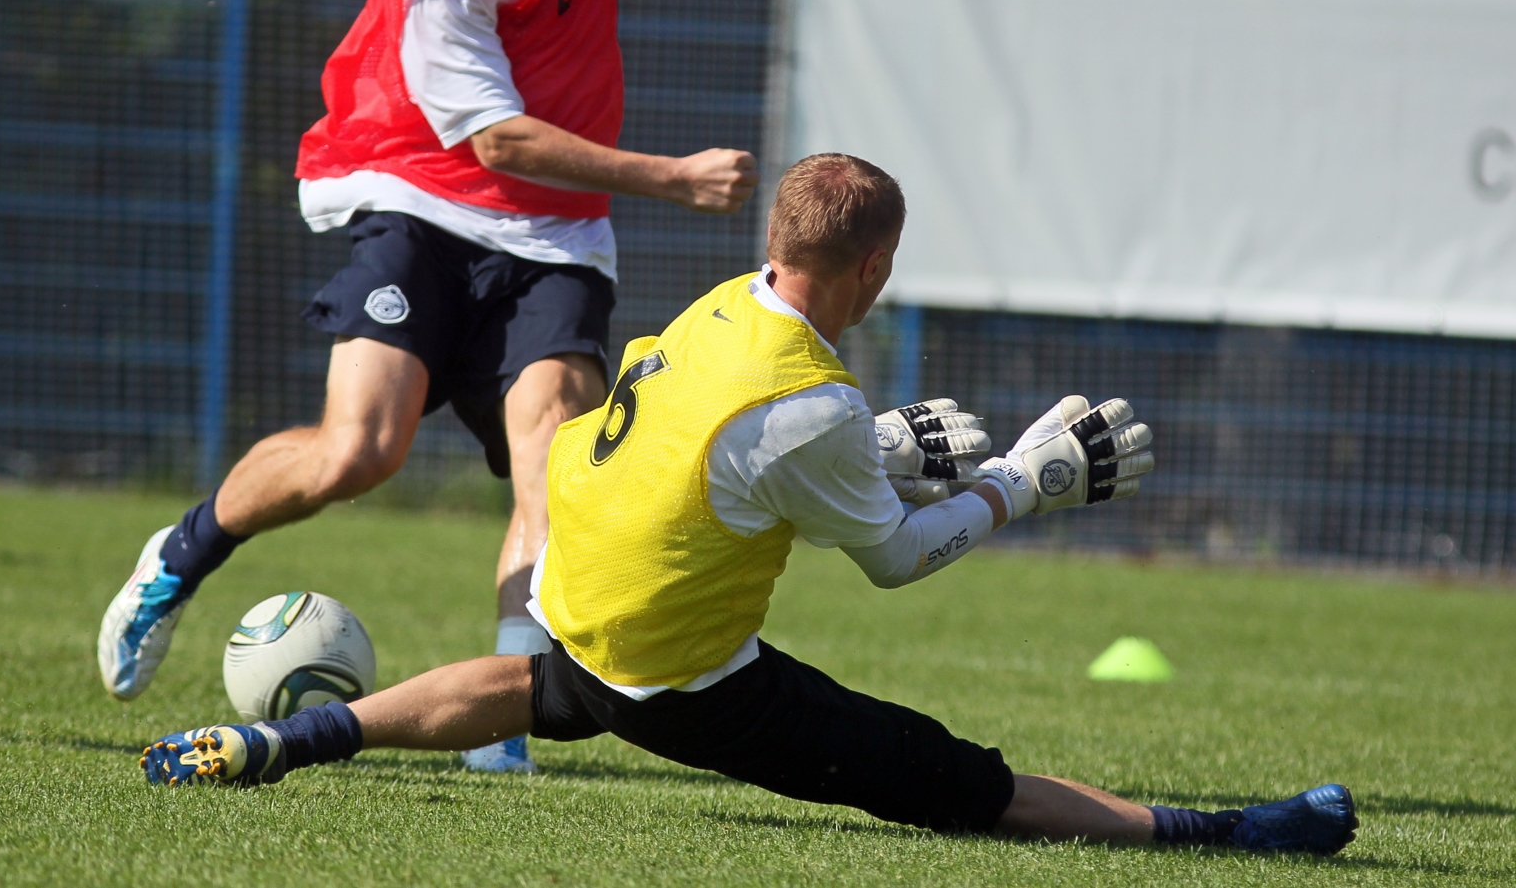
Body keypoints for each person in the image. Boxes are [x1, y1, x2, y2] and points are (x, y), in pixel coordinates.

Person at [136, 154, 1358, 856]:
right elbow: (890, 562)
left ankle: (279, 741)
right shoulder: (809, 403)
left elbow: (725, 462)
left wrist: (877, 449)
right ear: (872, 268)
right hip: (687, 679)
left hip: (576, 592)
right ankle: (1214, 835)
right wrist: (1012, 488)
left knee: (542, 691)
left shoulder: (726, 305)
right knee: (951, 780)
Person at [98, 0, 759, 774]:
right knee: (359, 451)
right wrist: (670, 177)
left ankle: (499, 725)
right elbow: (494, 142)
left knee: (555, 458)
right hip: (422, 196)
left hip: (554, 237)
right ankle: (179, 555)